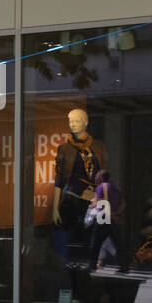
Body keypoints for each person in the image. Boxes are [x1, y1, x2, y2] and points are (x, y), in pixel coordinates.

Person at [52, 108, 106, 266]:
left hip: (93, 201)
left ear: (86, 122)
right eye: (70, 121)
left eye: (76, 121)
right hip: (72, 200)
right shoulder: (64, 149)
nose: (72, 124)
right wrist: (55, 207)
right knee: (73, 239)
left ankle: (88, 270)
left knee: (91, 238)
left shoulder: (98, 147)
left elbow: (103, 175)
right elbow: (59, 179)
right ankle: (74, 275)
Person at [89, 170, 127, 273]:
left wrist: (94, 204)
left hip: (104, 217)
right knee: (118, 243)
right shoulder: (117, 188)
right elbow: (123, 204)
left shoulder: (101, 187)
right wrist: (117, 214)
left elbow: (103, 202)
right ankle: (124, 266)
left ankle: (92, 265)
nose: (95, 177)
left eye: (97, 175)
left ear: (101, 177)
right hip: (114, 219)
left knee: (95, 243)